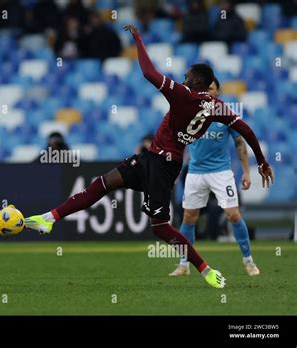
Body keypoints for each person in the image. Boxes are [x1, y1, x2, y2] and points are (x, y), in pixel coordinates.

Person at [25, 24, 274, 289]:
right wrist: (262, 161)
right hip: (151, 158)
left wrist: (138, 39)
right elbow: (246, 130)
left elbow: (148, 72)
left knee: (159, 228)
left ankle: (206, 269)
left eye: (188, 75)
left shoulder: (184, 94)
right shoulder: (219, 107)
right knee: (103, 183)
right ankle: (49, 219)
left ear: (197, 81)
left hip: (163, 166)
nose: (184, 78)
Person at [170, 77, 259, 277]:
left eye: (210, 89)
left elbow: (239, 143)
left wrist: (246, 171)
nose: (206, 92)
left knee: (233, 214)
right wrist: (174, 170)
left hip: (221, 172)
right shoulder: (189, 113)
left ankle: (248, 261)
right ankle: (184, 265)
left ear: (217, 91)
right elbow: (179, 145)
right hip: (195, 172)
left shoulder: (226, 114)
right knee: (189, 217)